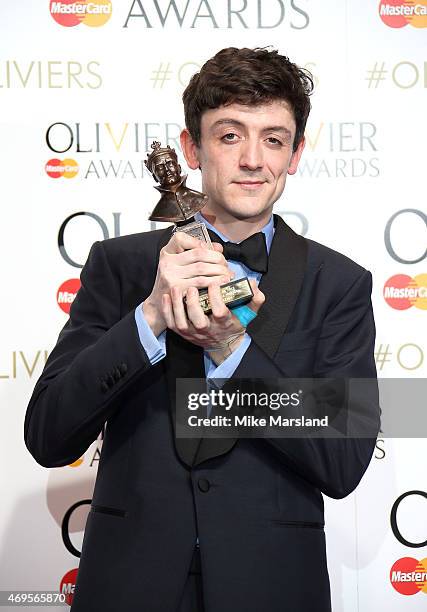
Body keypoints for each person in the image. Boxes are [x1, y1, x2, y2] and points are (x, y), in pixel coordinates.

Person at [24, 47, 379, 612]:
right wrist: (149, 317)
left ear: (295, 154)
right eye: (230, 135)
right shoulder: (120, 266)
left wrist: (233, 350)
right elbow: (48, 435)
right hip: (128, 585)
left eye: (274, 139)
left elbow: (342, 461)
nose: (253, 160)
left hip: (273, 588)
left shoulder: (337, 284)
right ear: (191, 148)